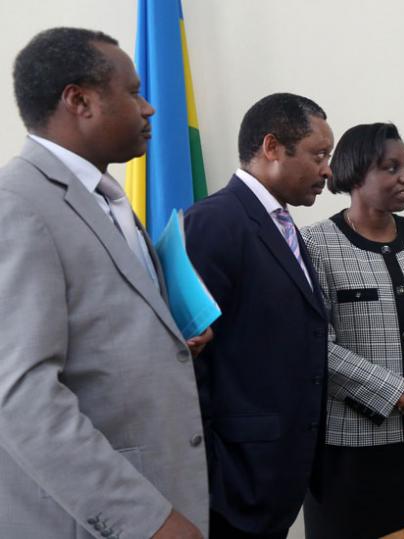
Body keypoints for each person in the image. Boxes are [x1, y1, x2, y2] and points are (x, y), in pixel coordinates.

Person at [0, 28, 210, 538]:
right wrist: (146, 521)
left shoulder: (106, 196)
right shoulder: (19, 205)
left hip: (165, 485)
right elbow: (22, 396)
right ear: (80, 100)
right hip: (101, 518)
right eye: (134, 92)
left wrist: (168, 341)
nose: (150, 109)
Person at [301, 122, 404, 538]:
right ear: (356, 175)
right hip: (351, 449)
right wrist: (395, 391)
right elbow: (314, 346)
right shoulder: (314, 245)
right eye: (391, 167)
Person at [184, 93, 333, 538]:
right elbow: (187, 360)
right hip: (233, 487)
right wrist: (215, 474)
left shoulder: (281, 224)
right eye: (318, 154)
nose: (327, 169)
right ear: (272, 147)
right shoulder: (214, 222)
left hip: (275, 477)